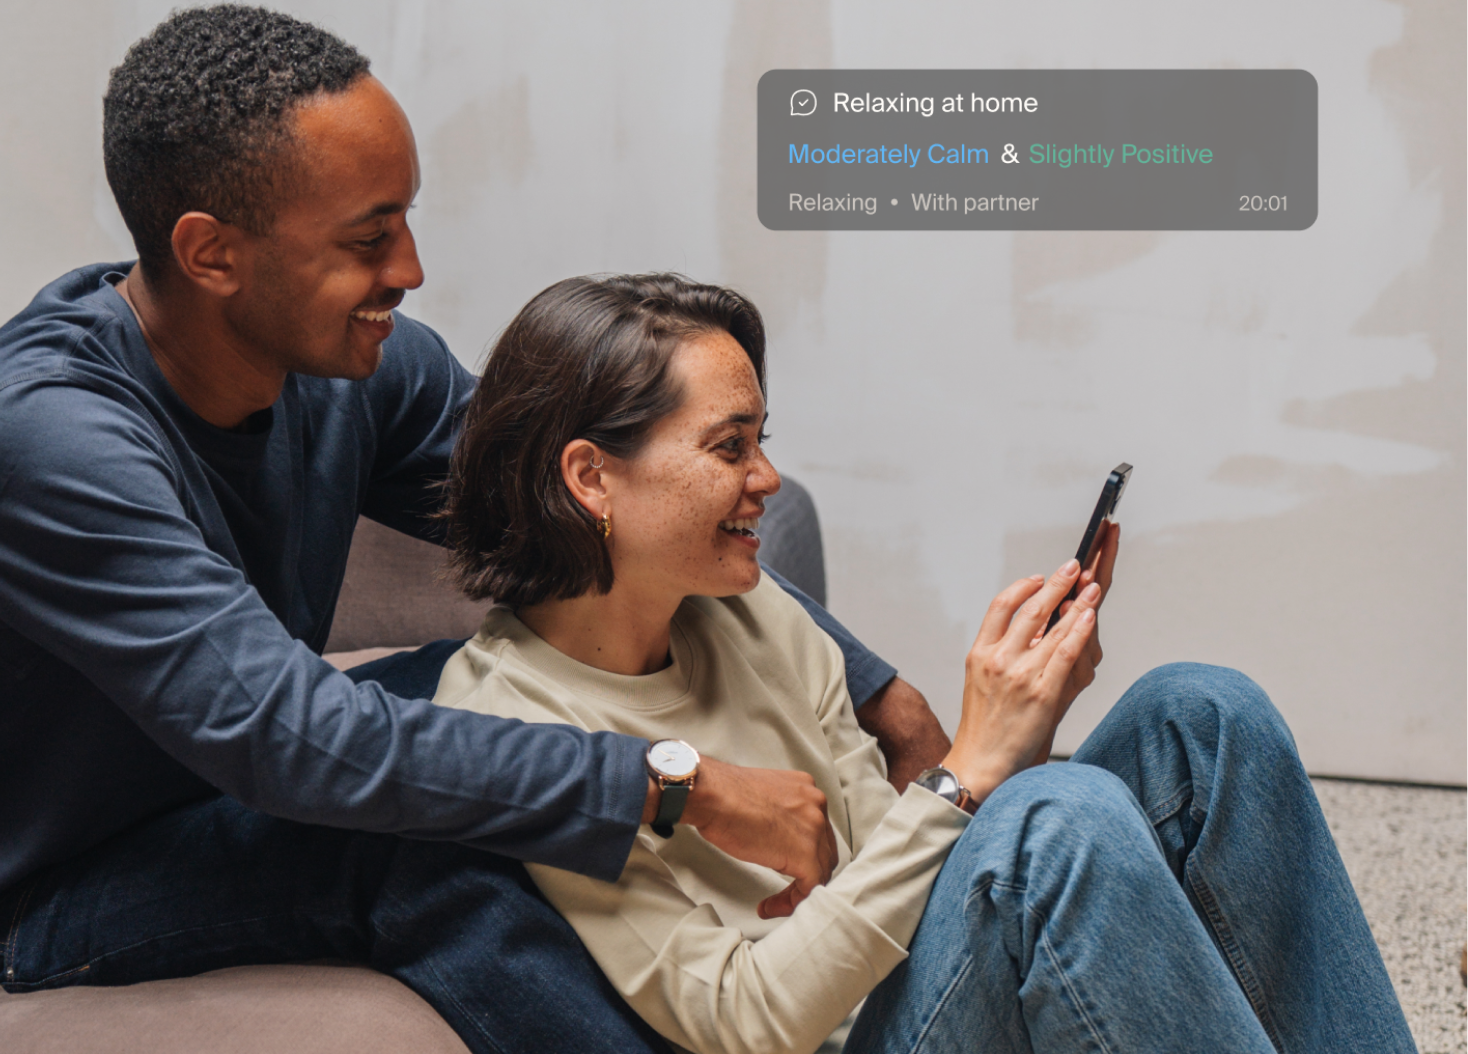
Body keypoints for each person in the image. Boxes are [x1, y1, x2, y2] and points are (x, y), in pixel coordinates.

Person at [0, 9, 942, 1054]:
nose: (409, 271)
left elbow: (601, 507)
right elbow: (289, 736)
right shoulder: (50, 439)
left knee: (507, 682)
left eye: (405, 219)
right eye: (370, 239)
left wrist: (866, 679)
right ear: (213, 253)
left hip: (208, 784)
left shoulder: (350, 369)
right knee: (427, 852)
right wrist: (676, 781)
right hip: (19, 895)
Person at [433, 272, 1419, 1054]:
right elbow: (744, 1017)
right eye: (729, 446)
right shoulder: (510, 721)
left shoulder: (748, 610)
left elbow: (899, 866)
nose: (767, 480)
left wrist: (1016, 727)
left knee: (1200, 712)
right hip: (820, 1037)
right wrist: (968, 775)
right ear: (590, 476)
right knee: (1048, 820)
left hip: (905, 982)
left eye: (760, 441)